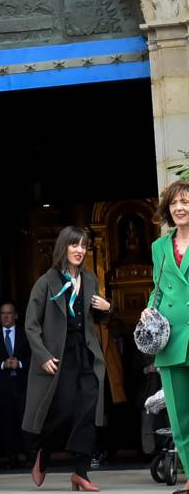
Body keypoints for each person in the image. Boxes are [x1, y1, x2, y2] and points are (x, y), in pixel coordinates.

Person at [24, 226, 111, 491]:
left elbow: (94, 316)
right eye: (74, 245)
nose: (79, 250)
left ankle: (81, 471)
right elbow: (31, 325)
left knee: (88, 409)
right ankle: (43, 451)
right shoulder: (46, 282)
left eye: (83, 246)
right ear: (63, 247)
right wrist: (42, 356)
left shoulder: (90, 278)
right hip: (59, 357)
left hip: (86, 352)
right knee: (63, 410)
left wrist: (107, 309)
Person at [145, 179, 189, 493]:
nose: (180, 208)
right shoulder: (159, 247)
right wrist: (148, 309)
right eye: (174, 203)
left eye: (185, 201)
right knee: (179, 416)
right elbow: (158, 290)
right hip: (171, 340)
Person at [0, 301, 30, 467]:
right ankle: (11, 457)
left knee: (25, 422)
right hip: (1, 388)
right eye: (3, 313)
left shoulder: (26, 334)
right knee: (6, 423)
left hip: (22, 386)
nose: (6, 316)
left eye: (9, 313)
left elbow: (37, 358)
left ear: (15, 315)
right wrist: (3, 364)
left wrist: (20, 364)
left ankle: (30, 456)